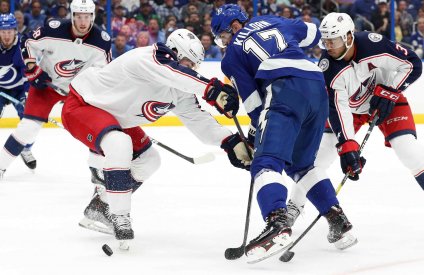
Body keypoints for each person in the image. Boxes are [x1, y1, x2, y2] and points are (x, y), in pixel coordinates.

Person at [62, 29, 246, 247]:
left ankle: (101, 206)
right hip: (83, 104)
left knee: (150, 160)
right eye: (187, 62)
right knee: (120, 144)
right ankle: (119, 215)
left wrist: (230, 142)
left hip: (115, 119)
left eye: (194, 66)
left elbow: (199, 119)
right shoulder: (148, 57)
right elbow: (172, 71)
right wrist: (211, 88)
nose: (190, 69)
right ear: (174, 52)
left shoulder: (179, 87)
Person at [288, 13, 424, 239]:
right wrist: (348, 145)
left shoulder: (372, 43)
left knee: (408, 149)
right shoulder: (328, 69)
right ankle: (292, 208)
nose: (329, 46)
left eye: (334, 40)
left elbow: (412, 64)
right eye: (326, 41)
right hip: (353, 110)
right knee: (318, 158)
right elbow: (338, 109)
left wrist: (390, 91)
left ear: (349, 37)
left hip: (388, 100)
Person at [211, 4, 357, 263]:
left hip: (283, 91)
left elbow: (254, 102)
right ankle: (337, 219)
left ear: (233, 27)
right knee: (302, 164)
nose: (224, 42)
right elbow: (315, 33)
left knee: (265, 163)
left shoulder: (231, 56)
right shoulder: (273, 20)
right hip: (316, 89)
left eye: (223, 35)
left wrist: (258, 133)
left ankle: (278, 222)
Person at [0, 0, 112, 179]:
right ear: (72, 15)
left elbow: (104, 72)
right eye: (79, 17)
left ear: (93, 16)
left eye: (87, 17)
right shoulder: (54, 29)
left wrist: (91, 91)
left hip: (77, 91)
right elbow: (28, 42)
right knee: (27, 128)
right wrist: (32, 68)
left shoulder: (101, 40)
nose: (83, 22)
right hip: (46, 85)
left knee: (95, 129)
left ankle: (96, 173)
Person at [0, 13, 36, 169]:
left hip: (20, 88)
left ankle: (26, 149)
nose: (6, 35)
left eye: (9, 31)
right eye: (3, 31)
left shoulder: (23, 46)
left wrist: (27, 95)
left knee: (30, 121)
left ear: (15, 31)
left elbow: (28, 74)